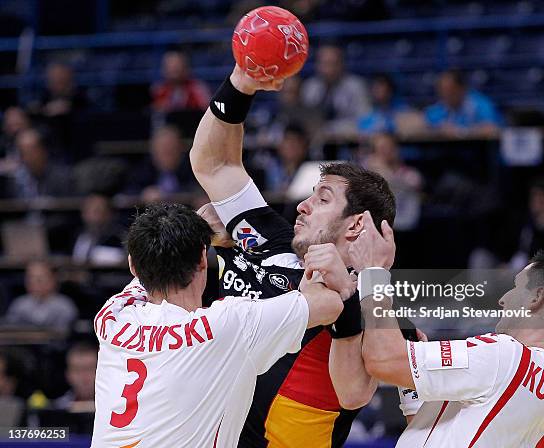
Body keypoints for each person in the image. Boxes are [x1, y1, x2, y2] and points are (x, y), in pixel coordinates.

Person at [190, 63, 396, 447]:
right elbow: (215, 165)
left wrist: (351, 299)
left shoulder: (374, 304)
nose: (302, 205)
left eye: (322, 199)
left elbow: (354, 394)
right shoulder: (271, 238)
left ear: (355, 225)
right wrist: (240, 84)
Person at [331, 211, 544, 447]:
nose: (503, 298)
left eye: (516, 286)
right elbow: (436, 431)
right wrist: (412, 379)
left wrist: (373, 273)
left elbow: (383, 359)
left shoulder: (506, 356)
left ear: (536, 297)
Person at [91, 203, 347, 447]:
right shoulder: (228, 323)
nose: (306, 204)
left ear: (132, 267)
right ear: (203, 259)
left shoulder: (113, 316)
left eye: (323, 197)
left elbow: (154, 258)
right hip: (319, 403)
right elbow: (332, 304)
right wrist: (378, 271)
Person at [301, 45, 371, 138]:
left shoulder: (356, 86)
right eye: (325, 64)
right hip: (315, 143)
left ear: (342, 64)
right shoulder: (310, 87)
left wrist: (330, 130)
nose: (330, 70)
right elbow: (304, 120)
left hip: (349, 142)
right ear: (318, 65)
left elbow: (365, 121)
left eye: (334, 64)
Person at [127, 125, 197, 202]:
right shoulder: (142, 170)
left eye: (171, 149)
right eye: (162, 149)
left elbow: (197, 190)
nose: (167, 153)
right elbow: (127, 193)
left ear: (181, 148)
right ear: (153, 150)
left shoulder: (193, 168)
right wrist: (143, 194)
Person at [4, 260, 77, 333]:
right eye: (30, 279)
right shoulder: (19, 304)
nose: (34, 283)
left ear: (53, 280)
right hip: (25, 343)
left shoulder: (64, 306)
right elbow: (11, 331)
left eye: (39, 279)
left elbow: (65, 333)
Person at [425, 70, 502, 137]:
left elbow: (491, 129)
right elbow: (424, 123)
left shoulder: (480, 104)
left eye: (450, 90)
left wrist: (460, 132)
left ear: (462, 89)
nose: (445, 95)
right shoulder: (441, 107)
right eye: (442, 91)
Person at [10, 128, 72, 199]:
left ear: (43, 150)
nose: (27, 156)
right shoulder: (15, 181)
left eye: (31, 151)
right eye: (23, 152)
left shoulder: (62, 178)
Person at [72, 194, 124, 265]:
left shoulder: (119, 238)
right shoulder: (78, 235)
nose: (91, 216)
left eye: (96, 211)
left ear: (109, 214)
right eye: (87, 211)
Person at [54, 342, 97, 411]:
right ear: (68, 375)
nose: (85, 378)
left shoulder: (116, 407)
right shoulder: (56, 409)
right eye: (77, 370)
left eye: (90, 369)